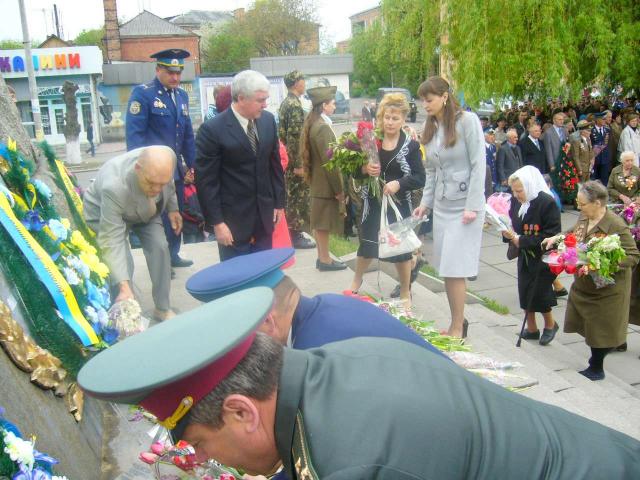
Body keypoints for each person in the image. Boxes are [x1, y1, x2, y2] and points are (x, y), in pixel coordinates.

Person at [78, 288, 640, 479]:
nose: (213, 461)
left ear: (243, 412)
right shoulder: (331, 368)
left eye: (201, 445)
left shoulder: (356, 457)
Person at [185, 248, 443, 358]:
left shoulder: (316, 354)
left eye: (238, 337)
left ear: (266, 320)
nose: (238, 349)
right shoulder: (324, 306)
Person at [542, 181, 639, 380]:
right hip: (586, 283)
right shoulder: (585, 215)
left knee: (600, 327)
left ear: (597, 203)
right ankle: (609, 347)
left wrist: (604, 262)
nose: (579, 207)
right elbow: (574, 231)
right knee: (589, 324)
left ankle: (596, 367)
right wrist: (556, 238)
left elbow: (633, 255)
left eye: (583, 203)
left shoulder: (616, 225)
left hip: (608, 287)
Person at [414, 77, 485, 338]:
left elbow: (479, 164)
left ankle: (457, 326)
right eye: (422, 100)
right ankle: (458, 321)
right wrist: (425, 204)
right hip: (443, 207)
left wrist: (473, 205)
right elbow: (431, 171)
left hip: (465, 207)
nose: (424, 105)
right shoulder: (430, 126)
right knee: (447, 268)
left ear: (444, 96)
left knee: (456, 268)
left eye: (428, 99)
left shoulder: (468, 121)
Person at [195, 70, 285, 261]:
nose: (265, 104)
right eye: (260, 100)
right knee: (237, 280)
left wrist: (278, 203)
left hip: (264, 216)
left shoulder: (268, 121)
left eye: (266, 99)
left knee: (263, 272)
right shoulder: (212, 130)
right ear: (241, 98)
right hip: (232, 222)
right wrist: (217, 223)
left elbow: (274, 165)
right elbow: (206, 182)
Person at [83, 146, 180, 321]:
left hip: (147, 209)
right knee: (123, 263)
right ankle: (129, 312)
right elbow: (111, 240)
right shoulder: (114, 186)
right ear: (138, 170)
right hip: (105, 211)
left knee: (160, 247)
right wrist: (123, 284)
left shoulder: (167, 157)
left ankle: (162, 308)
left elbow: (169, 184)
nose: (157, 189)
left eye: (161, 184)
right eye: (151, 183)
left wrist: (173, 208)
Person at [348, 93, 426, 307]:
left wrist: (398, 184)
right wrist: (365, 168)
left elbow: (420, 177)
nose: (390, 122)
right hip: (373, 203)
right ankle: (356, 282)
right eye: (387, 118)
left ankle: (404, 293)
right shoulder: (370, 139)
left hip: (398, 205)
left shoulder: (410, 146)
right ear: (381, 117)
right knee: (367, 245)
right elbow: (354, 172)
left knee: (401, 251)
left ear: (403, 120)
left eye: (395, 118)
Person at [125, 48, 195, 270]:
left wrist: (192, 165)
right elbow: (135, 137)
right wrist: (141, 170)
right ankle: (160, 263)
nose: (175, 77)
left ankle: (173, 254)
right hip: (152, 173)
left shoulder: (181, 96)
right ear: (158, 70)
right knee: (156, 219)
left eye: (178, 72)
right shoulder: (143, 94)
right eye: (170, 72)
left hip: (174, 172)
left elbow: (187, 135)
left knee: (176, 215)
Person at [502, 166, 561, 345]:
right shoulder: (517, 202)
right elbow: (513, 224)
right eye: (514, 191)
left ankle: (550, 325)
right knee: (525, 290)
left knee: (540, 292)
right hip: (524, 255)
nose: (516, 194)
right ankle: (532, 328)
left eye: (519, 190)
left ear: (529, 185)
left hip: (542, 256)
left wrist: (522, 240)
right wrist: (507, 233)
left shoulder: (546, 202)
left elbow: (552, 234)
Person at [300, 86, 346, 271]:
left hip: (318, 183)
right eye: (333, 103)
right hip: (325, 185)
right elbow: (331, 163)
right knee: (323, 225)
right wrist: (339, 190)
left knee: (320, 224)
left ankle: (322, 258)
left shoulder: (315, 123)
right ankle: (325, 260)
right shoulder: (322, 128)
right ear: (324, 105)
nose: (335, 106)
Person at [278, 70, 315, 250]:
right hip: (294, 164)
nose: (304, 83)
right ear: (295, 83)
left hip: (289, 161)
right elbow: (294, 138)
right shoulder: (293, 105)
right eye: (302, 80)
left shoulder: (289, 103)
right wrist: (298, 165)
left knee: (293, 197)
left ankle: (294, 232)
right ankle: (295, 234)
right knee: (296, 198)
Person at [590, 111, 611, 184]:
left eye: (605, 119)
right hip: (595, 158)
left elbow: (608, 144)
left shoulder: (607, 130)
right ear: (597, 120)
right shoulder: (591, 131)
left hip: (605, 158)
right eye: (603, 119)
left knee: (605, 180)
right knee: (595, 179)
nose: (605, 120)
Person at [484, 128, 497, 196]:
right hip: (485, 177)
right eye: (490, 135)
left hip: (493, 176)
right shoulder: (481, 147)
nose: (492, 137)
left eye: (493, 135)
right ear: (484, 136)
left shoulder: (493, 147)